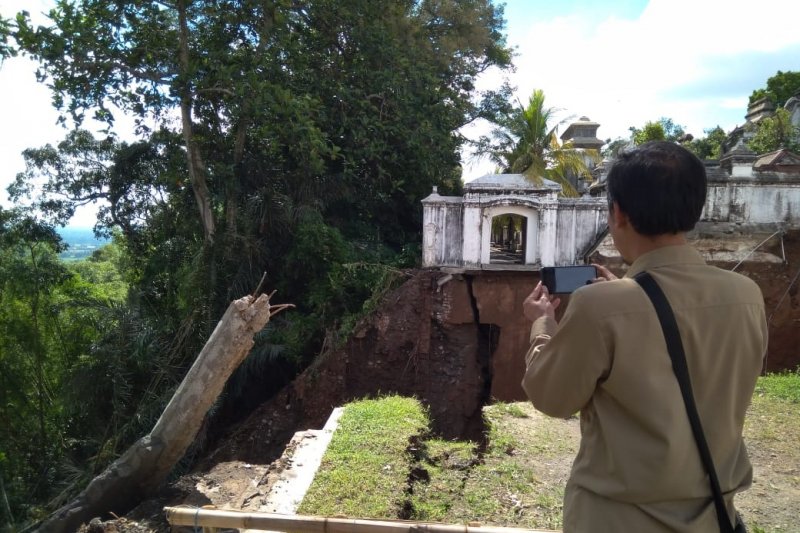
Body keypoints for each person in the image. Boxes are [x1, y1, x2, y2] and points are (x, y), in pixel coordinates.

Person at [521, 141, 768, 532]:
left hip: (618, 520)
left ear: (618, 212)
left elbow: (552, 397)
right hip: (713, 516)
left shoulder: (599, 305)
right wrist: (632, 296)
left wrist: (543, 325)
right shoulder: (747, 295)